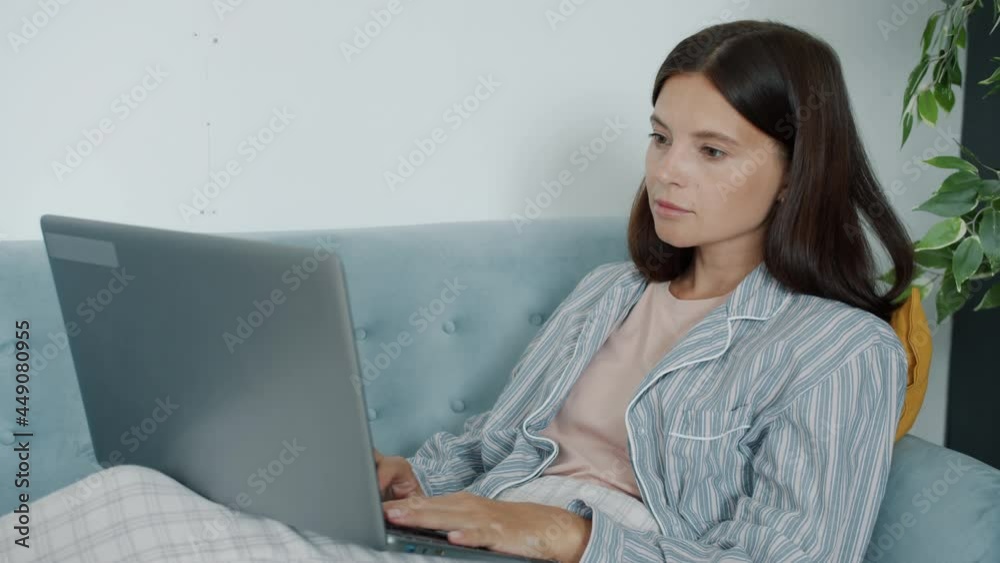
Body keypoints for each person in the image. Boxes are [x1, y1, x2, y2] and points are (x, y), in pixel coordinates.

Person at [0, 19, 912, 563]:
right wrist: (408, 477)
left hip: (572, 551)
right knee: (137, 491)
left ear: (797, 172)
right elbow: (489, 447)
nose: (668, 172)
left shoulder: (839, 350)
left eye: (711, 151)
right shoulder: (610, 292)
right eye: (661, 136)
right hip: (475, 540)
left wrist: (577, 539)